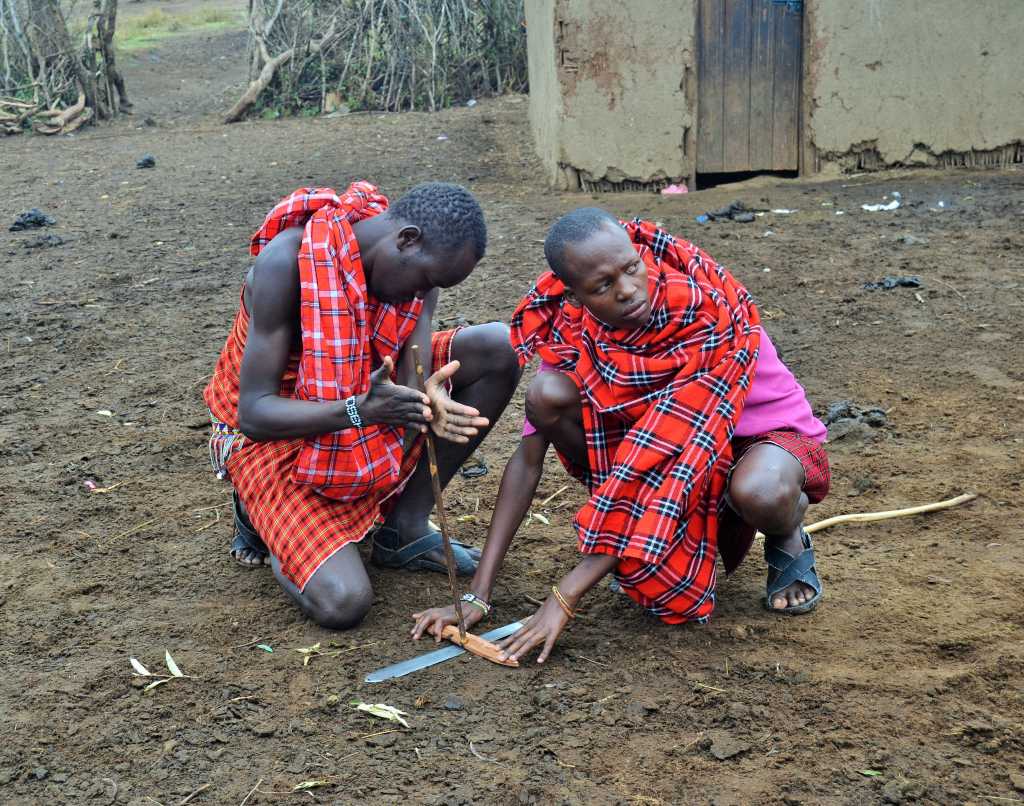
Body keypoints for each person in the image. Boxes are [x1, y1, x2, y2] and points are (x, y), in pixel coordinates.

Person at [411, 207, 829, 662]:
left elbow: (672, 463)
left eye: (632, 268)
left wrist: (564, 598)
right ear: (575, 298)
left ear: (639, 253)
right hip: (663, 458)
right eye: (603, 286)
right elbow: (528, 460)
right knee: (548, 393)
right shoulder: (574, 329)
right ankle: (631, 535)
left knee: (761, 493)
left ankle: (787, 532)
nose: (629, 290)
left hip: (765, 443)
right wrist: (476, 596)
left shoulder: (706, 315)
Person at [204, 181, 520, 629]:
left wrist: (428, 395)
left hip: (366, 395)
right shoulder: (287, 263)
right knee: (343, 602)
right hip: (273, 432)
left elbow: (411, 373)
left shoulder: (416, 278)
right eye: (426, 280)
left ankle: (403, 529)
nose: (422, 295)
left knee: (498, 348)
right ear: (407, 239)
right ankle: (266, 523)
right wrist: (359, 410)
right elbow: (254, 414)